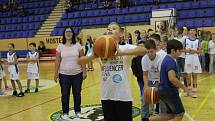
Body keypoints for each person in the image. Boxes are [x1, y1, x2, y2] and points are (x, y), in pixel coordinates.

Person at [78, 22, 147, 121]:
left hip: (123, 96)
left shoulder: (125, 48)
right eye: (108, 28)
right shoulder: (100, 49)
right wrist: (93, 55)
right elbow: (80, 61)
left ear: (121, 33)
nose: (110, 30)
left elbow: (144, 50)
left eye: (114, 28)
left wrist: (121, 53)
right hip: (106, 95)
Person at [149, 39, 188, 121]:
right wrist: (184, 87)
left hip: (163, 91)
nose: (180, 53)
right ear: (173, 51)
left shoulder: (167, 59)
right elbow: (172, 79)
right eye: (179, 51)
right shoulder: (170, 62)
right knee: (180, 114)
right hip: (169, 92)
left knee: (170, 115)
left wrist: (179, 74)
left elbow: (168, 75)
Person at [54, 27, 87, 120]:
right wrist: (55, 74)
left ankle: (78, 111)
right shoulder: (60, 46)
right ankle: (65, 112)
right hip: (64, 75)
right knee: (65, 94)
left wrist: (84, 71)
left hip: (77, 74)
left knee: (77, 93)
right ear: (64, 34)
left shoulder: (78, 45)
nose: (68, 33)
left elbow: (82, 59)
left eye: (70, 32)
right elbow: (57, 61)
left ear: (73, 34)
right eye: (66, 32)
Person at [141, 39, 162, 121]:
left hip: (158, 80)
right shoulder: (144, 59)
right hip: (149, 80)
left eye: (151, 51)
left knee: (162, 98)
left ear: (155, 50)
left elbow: (160, 75)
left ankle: (162, 116)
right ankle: (144, 117)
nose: (149, 54)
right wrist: (146, 87)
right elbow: (145, 75)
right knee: (144, 99)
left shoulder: (160, 59)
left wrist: (159, 86)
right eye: (147, 52)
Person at [184, 27, 202, 98]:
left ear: (195, 32)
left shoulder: (198, 41)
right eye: (190, 30)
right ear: (188, 32)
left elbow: (200, 51)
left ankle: (195, 92)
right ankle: (188, 90)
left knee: (194, 76)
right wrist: (186, 51)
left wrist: (195, 51)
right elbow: (181, 50)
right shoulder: (185, 40)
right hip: (188, 58)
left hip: (195, 58)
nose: (192, 31)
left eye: (193, 30)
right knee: (188, 75)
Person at [131, 41, 145, 120]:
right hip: (140, 79)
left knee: (151, 94)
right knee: (143, 94)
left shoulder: (147, 57)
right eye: (139, 46)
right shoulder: (135, 59)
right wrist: (137, 75)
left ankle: (154, 108)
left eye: (142, 46)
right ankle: (145, 111)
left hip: (149, 80)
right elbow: (133, 68)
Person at [174, 26, 188, 96]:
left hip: (183, 57)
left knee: (184, 72)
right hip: (177, 57)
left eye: (176, 30)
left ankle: (186, 88)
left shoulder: (185, 38)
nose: (175, 31)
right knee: (178, 72)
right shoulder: (175, 39)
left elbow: (186, 47)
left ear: (180, 31)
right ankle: (179, 87)